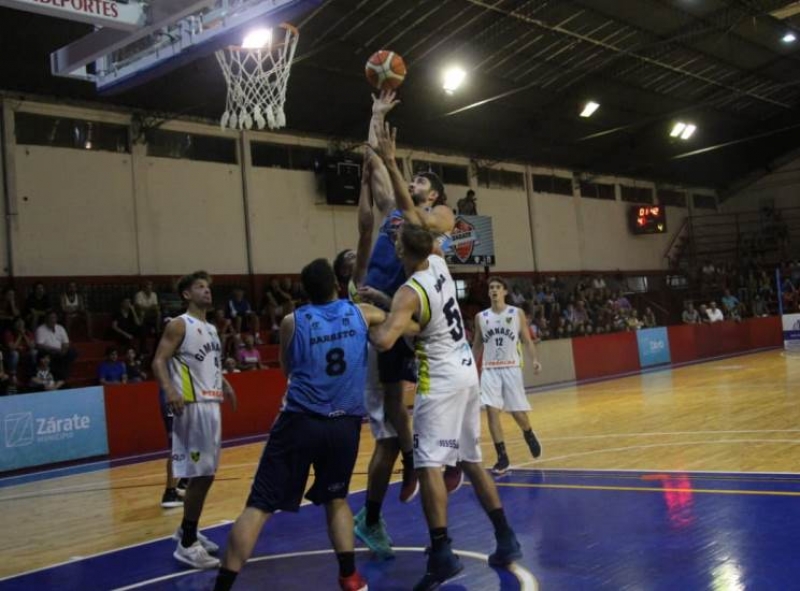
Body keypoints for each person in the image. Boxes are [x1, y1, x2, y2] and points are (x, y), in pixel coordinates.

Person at [213, 258, 391, 591]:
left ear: (304, 292)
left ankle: (223, 586)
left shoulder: (291, 322)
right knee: (336, 500)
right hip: (345, 425)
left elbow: (287, 368)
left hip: (301, 421)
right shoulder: (361, 314)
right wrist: (380, 299)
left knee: (258, 507)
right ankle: (349, 577)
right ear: (337, 285)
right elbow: (393, 318)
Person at [370, 223, 523, 590]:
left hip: (438, 380)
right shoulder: (438, 265)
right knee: (470, 459)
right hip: (466, 371)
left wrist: (369, 319)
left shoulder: (408, 291)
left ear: (403, 252)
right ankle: (506, 537)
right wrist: (384, 302)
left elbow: (386, 341)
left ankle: (442, 554)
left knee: (427, 464)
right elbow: (422, 315)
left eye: (396, 241)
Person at [151, 271, 237, 568]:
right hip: (192, 406)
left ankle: (186, 530)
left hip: (211, 402)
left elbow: (206, 363)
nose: (207, 291)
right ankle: (187, 543)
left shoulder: (211, 328)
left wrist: (224, 382)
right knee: (201, 475)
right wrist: (169, 388)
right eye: (199, 287)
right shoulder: (179, 324)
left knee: (206, 473)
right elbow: (159, 360)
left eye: (208, 287)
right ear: (187, 294)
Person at [472, 277, 543, 475]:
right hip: (490, 369)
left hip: (511, 368)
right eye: (491, 288)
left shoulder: (516, 313)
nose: (494, 290)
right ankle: (502, 457)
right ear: (488, 293)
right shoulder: (481, 317)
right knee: (492, 411)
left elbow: (527, 341)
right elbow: (477, 344)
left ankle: (528, 433)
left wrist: (534, 360)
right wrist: (469, 366)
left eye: (497, 287)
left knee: (517, 413)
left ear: (504, 292)